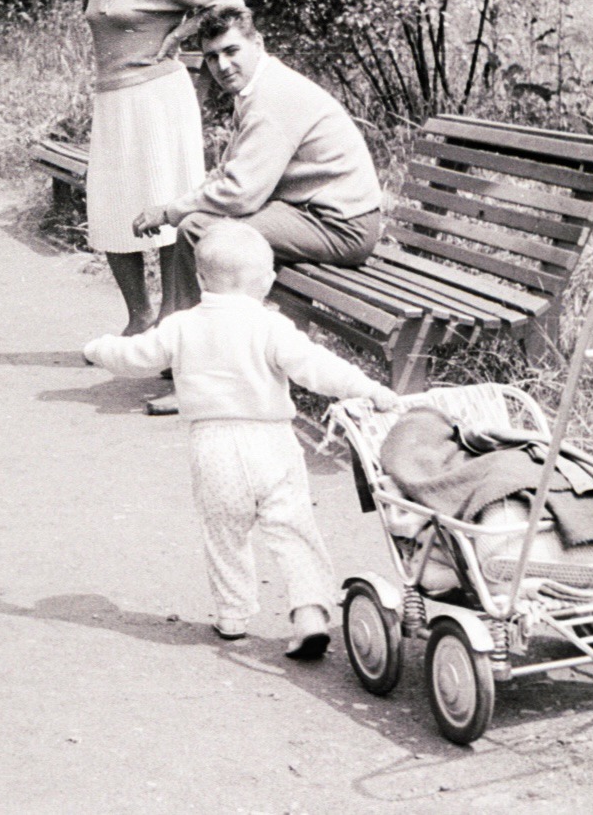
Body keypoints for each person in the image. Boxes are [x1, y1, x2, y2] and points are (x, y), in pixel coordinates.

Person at [83, 222, 399, 657]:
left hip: (213, 446)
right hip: (272, 442)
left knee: (224, 533)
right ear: (268, 281)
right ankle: (309, 611)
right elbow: (318, 366)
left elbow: (135, 356)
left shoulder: (181, 326)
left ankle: (232, 616)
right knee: (293, 529)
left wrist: (97, 349)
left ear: (199, 281)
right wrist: (369, 390)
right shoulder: (272, 326)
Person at [134, 5, 384, 313]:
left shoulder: (272, 96)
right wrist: (177, 206)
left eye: (231, 51)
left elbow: (241, 194)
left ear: (258, 44)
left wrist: (170, 212)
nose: (222, 65)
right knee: (200, 224)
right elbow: (228, 171)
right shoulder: (257, 88)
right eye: (212, 57)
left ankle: (182, 342)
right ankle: (201, 338)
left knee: (198, 229)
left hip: (342, 227)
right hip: (307, 214)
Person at [83, 0, 244, 336]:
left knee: (167, 205)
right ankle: (138, 318)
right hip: (112, 103)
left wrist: (179, 34)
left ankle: (173, 318)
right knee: (111, 207)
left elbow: (228, 1)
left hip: (159, 100)